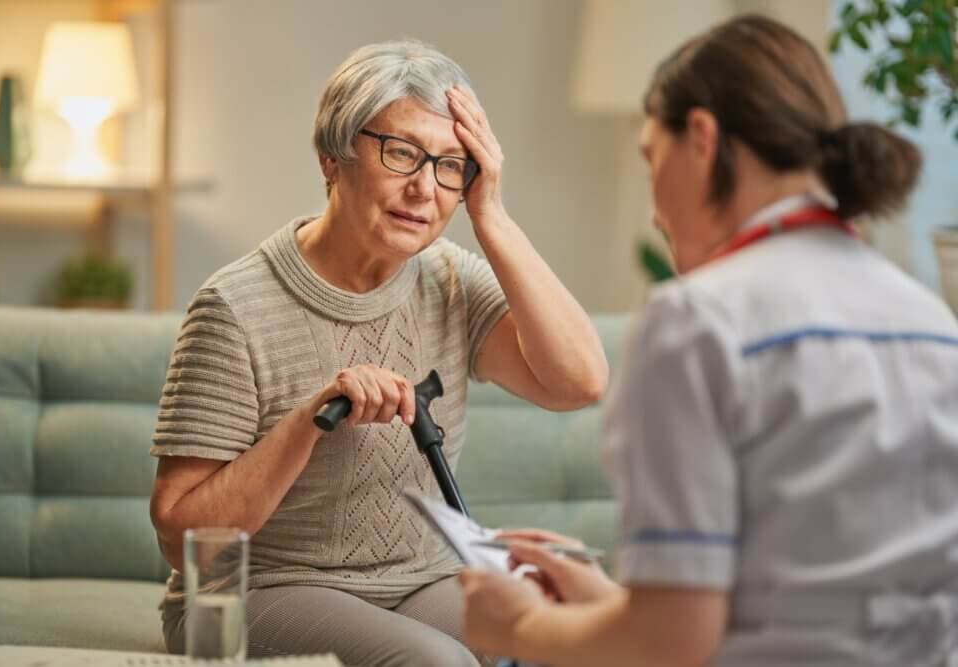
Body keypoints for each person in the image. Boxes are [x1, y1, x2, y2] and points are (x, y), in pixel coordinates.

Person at [459, 14, 958, 667]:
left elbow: (669, 645)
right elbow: (810, 604)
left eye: (649, 157)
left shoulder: (698, 321)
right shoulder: (931, 319)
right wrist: (614, 602)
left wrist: (520, 626)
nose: (655, 208)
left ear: (701, 137)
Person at [147, 39, 608, 666]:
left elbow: (578, 382)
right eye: (402, 153)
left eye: (452, 165)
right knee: (437, 664)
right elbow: (182, 541)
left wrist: (492, 214)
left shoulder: (451, 280)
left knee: (564, 639)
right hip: (264, 589)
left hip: (419, 581)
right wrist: (310, 420)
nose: (425, 188)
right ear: (332, 157)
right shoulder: (233, 306)